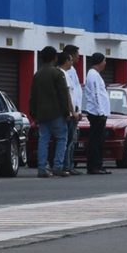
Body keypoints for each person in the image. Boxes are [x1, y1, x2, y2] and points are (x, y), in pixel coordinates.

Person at [29, 46, 71, 178]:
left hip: (41, 114)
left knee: (43, 140)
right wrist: (66, 112)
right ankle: (57, 166)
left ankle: (42, 168)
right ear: (55, 58)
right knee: (61, 138)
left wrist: (33, 113)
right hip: (57, 113)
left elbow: (33, 96)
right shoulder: (58, 74)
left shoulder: (37, 74)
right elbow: (63, 95)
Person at [84, 52, 111, 175]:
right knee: (95, 141)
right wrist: (100, 111)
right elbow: (96, 94)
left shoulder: (95, 74)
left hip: (99, 112)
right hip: (96, 113)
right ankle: (94, 166)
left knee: (99, 141)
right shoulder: (93, 75)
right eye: (104, 61)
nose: (105, 63)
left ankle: (98, 165)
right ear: (99, 62)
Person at [57, 51, 82, 175]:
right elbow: (67, 95)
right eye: (71, 60)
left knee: (70, 140)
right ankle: (64, 165)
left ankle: (67, 165)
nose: (72, 62)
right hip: (69, 113)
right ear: (66, 61)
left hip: (73, 112)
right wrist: (71, 112)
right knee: (67, 141)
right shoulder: (62, 74)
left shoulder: (66, 73)